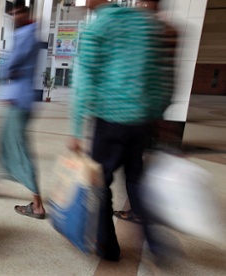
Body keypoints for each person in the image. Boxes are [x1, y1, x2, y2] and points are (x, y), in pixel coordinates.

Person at [69, 0, 173, 261]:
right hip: (141, 121)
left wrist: (76, 128)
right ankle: (156, 243)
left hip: (110, 120)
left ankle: (107, 246)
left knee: (101, 183)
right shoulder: (144, 23)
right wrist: (158, 112)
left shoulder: (98, 28)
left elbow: (84, 81)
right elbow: (162, 74)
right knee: (136, 179)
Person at [113, 0, 178, 225]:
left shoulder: (140, 30)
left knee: (109, 172)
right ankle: (142, 217)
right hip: (146, 116)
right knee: (134, 169)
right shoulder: (168, 31)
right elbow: (168, 79)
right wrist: (161, 114)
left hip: (125, 114)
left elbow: (124, 73)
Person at [0, 0, 45, 219]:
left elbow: (11, 64)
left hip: (19, 100)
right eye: (12, 13)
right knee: (6, 144)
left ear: (25, 13)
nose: (14, 17)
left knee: (19, 148)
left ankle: (37, 204)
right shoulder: (30, 32)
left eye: (17, 13)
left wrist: (6, 66)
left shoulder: (25, 33)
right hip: (18, 98)